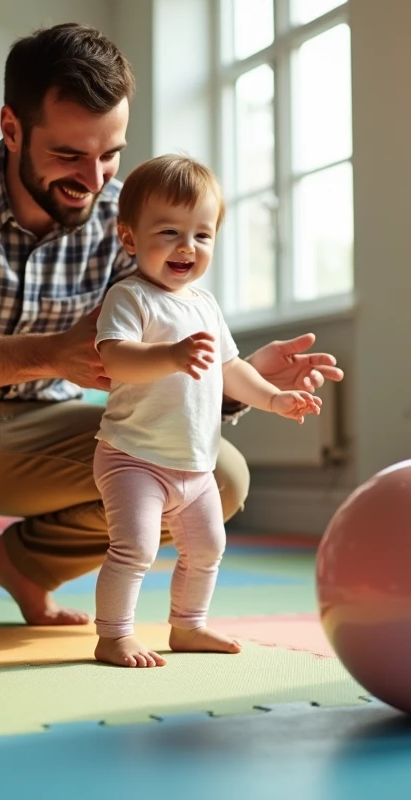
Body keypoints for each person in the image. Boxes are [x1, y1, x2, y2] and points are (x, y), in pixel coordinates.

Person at [0, 22, 344, 649]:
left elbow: (165, 347)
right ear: (12, 128)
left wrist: (239, 380)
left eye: (110, 153)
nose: (93, 179)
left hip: (50, 437)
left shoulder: (127, 218)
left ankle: (26, 564)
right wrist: (45, 353)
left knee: (220, 476)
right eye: (69, 155)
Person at [92, 155, 323, 668]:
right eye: (169, 232)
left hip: (195, 464)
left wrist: (273, 398)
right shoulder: (130, 297)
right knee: (135, 548)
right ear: (129, 238)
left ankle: (188, 626)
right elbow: (115, 358)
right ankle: (113, 635)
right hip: (133, 457)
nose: (186, 247)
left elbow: (231, 367)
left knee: (208, 549)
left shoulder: (205, 306)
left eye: (202, 235)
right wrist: (170, 356)